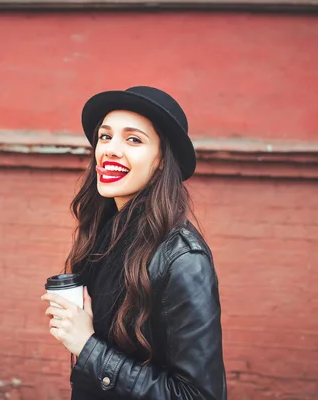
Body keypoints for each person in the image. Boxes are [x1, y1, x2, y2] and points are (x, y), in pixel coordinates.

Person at [41, 86, 227, 399]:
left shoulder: (183, 259)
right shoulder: (108, 233)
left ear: (162, 162)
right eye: (105, 136)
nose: (110, 150)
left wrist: (88, 346)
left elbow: (198, 395)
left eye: (133, 139)